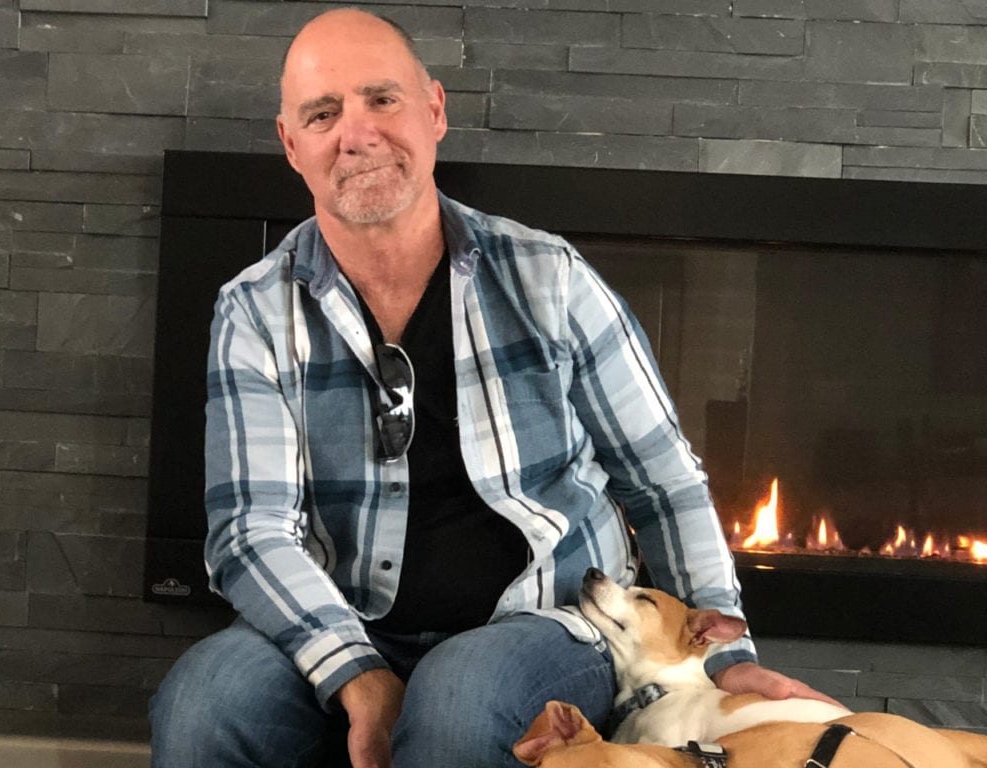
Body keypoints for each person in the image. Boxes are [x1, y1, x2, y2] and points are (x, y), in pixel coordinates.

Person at [148, 8, 837, 768]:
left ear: (434, 110)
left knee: (459, 698)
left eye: (383, 99)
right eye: (323, 113)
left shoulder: (550, 277)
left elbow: (663, 480)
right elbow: (251, 529)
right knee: (203, 702)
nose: (357, 132)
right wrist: (356, 671)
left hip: (544, 618)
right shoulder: (254, 310)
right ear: (291, 144)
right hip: (338, 614)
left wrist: (719, 649)